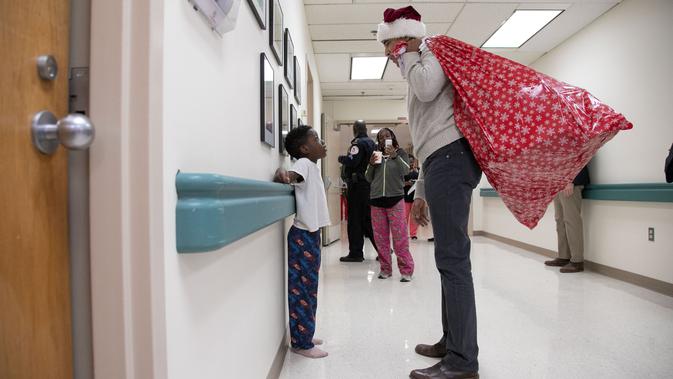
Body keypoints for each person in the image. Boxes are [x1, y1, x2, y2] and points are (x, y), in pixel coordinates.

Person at [378, 6, 482, 379]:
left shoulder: (433, 51)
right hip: (440, 160)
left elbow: (426, 89)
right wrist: (420, 187)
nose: (394, 57)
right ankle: (452, 341)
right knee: (446, 259)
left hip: (452, 158)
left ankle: (462, 361)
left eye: (394, 47)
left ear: (406, 37)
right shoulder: (420, 60)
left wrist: (407, 55)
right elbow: (427, 132)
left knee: (453, 261)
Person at [273, 125, 329, 359]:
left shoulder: (312, 166)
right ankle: (301, 343)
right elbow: (293, 176)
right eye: (316, 138)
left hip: (310, 235)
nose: (322, 141)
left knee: (309, 289)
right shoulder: (305, 164)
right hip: (303, 237)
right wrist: (285, 175)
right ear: (305, 148)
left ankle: (305, 334)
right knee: (302, 292)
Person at [365, 128, 415, 282]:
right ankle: (385, 269)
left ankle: (406, 270)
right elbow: (368, 178)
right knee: (381, 238)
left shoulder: (400, 153)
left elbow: (405, 170)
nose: (384, 138)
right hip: (377, 201)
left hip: (395, 200)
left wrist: (394, 156)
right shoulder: (376, 155)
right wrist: (371, 164)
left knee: (400, 237)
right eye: (380, 137)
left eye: (387, 135)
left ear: (392, 137)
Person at [338, 120, 379, 262]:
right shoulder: (373, 144)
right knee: (368, 219)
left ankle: (356, 253)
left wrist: (341, 158)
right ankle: (383, 250)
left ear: (354, 129)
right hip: (369, 186)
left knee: (355, 220)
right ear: (366, 129)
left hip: (357, 186)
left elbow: (352, 161)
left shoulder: (358, 144)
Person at [545, 166, 590, 273]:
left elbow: (581, 157)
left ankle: (577, 261)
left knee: (572, 221)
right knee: (560, 221)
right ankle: (563, 257)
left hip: (570, 183)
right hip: (558, 183)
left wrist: (572, 181)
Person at [404, 155, 420, 240]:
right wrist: (407, 183)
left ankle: (413, 234)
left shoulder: (418, 172)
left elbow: (421, 183)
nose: (410, 163)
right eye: (409, 161)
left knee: (414, 217)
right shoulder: (402, 171)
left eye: (412, 161)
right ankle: (403, 234)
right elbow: (398, 183)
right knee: (404, 217)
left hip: (414, 197)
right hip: (405, 198)